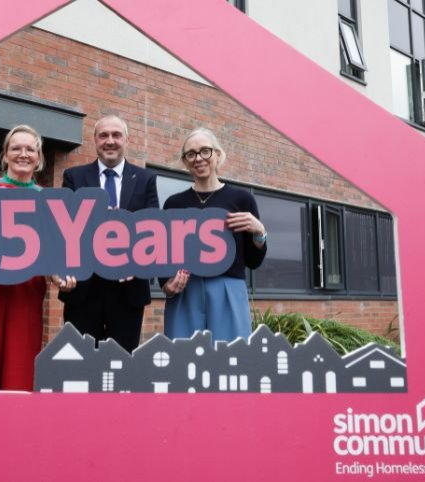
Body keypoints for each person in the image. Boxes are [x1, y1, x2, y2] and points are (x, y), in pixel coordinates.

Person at [0, 125, 76, 390]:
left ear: (39, 157)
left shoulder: (47, 200)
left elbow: (49, 253)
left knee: (19, 376)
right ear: (5, 155)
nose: (23, 154)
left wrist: (58, 276)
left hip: (26, 291)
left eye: (30, 149)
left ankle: (12, 430)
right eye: (16, 148)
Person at [56, 115, 159, 352]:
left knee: (121, 367)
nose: (110, 141)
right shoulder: (74, 177)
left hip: (128, 291)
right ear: (95, 140)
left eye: (116, 135)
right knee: (81, 366)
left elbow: (153, 229)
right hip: (83, 290)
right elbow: (64, 226)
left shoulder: (145, 179)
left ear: (126, 139)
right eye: (103, 135)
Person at [161, 127, 267, 342]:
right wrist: (166, 283)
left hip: (228, 289)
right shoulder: (174, 204)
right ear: (185, 161)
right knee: (182, 359)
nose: (198, 158)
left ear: (217, 154)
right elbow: (164, 253)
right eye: (191, 154)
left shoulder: (242, 200)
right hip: (185, 291)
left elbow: (253, 261)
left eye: (205, 151)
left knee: (231, 359)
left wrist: (260, 233)